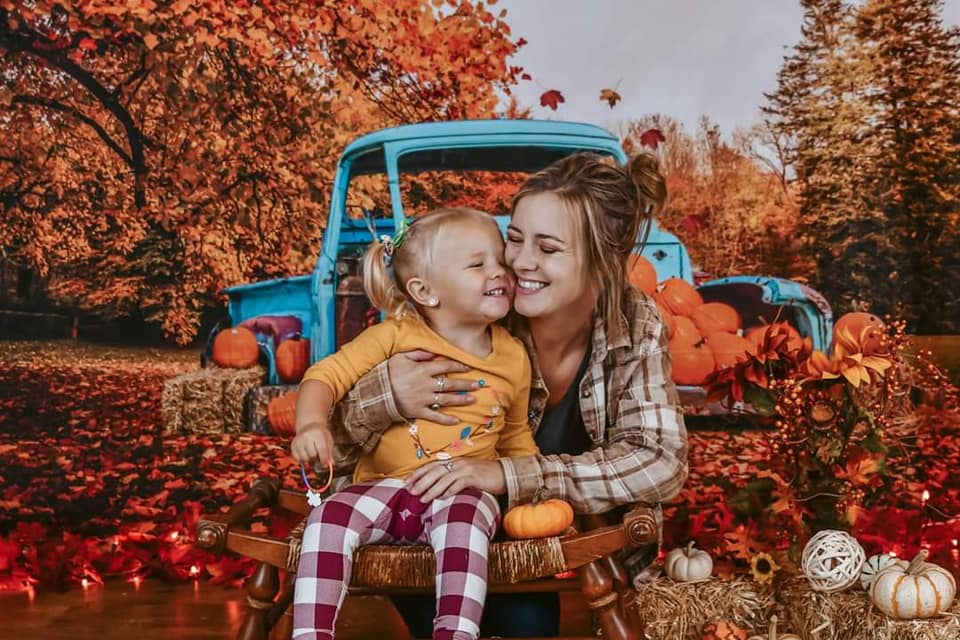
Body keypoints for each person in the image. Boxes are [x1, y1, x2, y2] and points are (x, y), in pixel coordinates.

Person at [331, 152, 689, 637]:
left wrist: (508, 473)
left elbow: (661, 461)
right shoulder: (471, 316)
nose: (518, 262)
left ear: (604, 263)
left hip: (545, 535)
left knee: (531, 627)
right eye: (515, 238)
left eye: (548, 248)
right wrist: (386, 396)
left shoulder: (634, 320)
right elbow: (331, 446)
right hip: (436, 527)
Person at [290, 207, 539, 640]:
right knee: (328, 517)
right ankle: (310, 633)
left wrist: (530, 493)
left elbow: (516, 435)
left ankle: (454, 633)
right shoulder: (396, 336)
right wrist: (311, 424)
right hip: (386, 486)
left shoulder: (514, 356)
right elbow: (324, 376)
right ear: (425, 291)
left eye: (500, 260)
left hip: (461, 490)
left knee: (464, 524)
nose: (499, 271)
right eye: (478, 264)